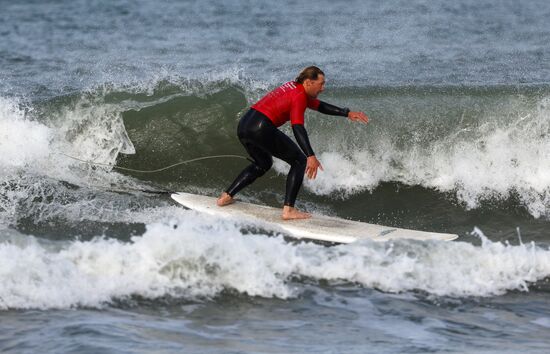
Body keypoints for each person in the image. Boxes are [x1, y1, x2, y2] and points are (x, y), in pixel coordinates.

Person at [217, 66, 369, 220]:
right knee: (299, 161)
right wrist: (310, 155)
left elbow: (319, 106)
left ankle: (226, 196)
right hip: (261, 128)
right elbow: (297, 127)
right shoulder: (299, 96)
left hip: (245, 126)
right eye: (321, 84)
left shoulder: (293, 87)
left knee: (262, 163)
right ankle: (288, 210)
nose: (323, 88)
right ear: (309, 82)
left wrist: (347, 113)